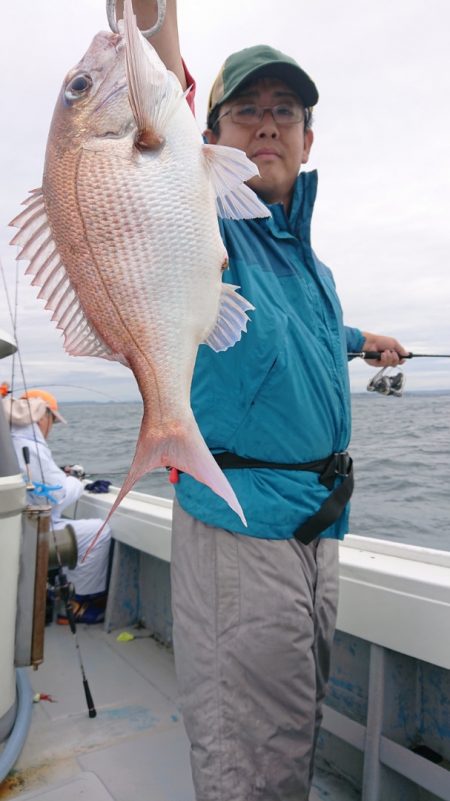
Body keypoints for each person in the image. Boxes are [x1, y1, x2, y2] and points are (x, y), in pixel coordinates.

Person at [121, 4, 409, 798]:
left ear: (308, 140)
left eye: (285, 111)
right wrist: (149, 20)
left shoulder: (311, 262)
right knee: (251, 759)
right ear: (209, 136)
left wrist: (363, 339)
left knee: (293, 731)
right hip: (242, 526)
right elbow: (152, 81)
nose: (268, 123)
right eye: (245, 109)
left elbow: (303, 332)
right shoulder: (199, 212)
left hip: (317, 528)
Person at [4, 389, 112, 625]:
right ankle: (76, 605)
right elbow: (55, 496)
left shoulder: (9, 438)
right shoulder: (28, 445)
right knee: (99, 531)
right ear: (43, 416)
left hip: (12, 530)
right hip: (24, 536)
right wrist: (77, 481)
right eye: (52, 420)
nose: (51, 427)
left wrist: (62, 475)